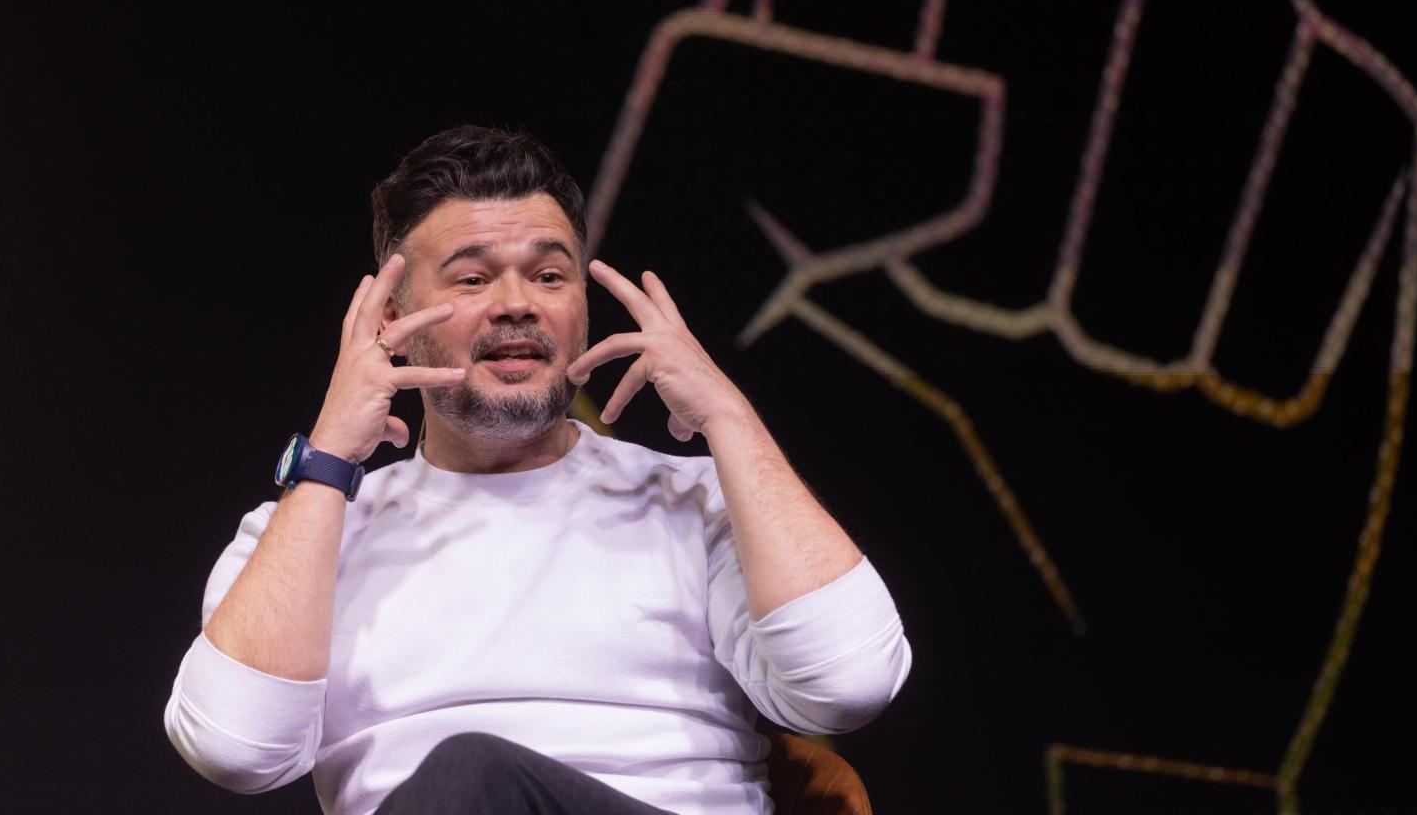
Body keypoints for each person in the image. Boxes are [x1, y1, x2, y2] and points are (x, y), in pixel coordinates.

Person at [163, 125, 912, 815]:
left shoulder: (692, 499)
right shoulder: (308, 531)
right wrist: (326, 463)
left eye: (550, 276)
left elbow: (850, 684)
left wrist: (730, 419)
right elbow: (235, 747)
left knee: (470, 777)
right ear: (389, 319)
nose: (516, 305)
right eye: (471, 279)